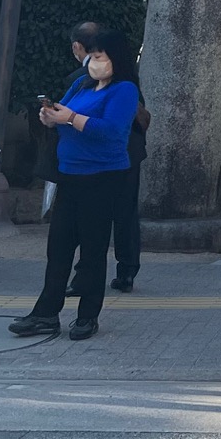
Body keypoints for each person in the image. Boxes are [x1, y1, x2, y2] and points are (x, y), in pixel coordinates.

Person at [11, 32, 140, 341]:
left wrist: (71, 118)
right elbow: (63, 111)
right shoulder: (81, 83)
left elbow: (112, 131)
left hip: (103, 178)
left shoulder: (125, 90)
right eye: (92, 56)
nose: (94, 62)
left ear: (116, 59)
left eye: (100, 56)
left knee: (93, 249)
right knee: (59, 247)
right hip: (70, 175)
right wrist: (49, 116)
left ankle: (87, 316)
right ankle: (45, 313)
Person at [64, 21, 149, 294]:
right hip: (129, 152)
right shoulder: (126, 73)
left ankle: (84, 277)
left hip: (99, 159)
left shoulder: (82, 80)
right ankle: (126, 271)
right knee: (124, 213)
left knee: (89, 220)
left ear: (79, 47)